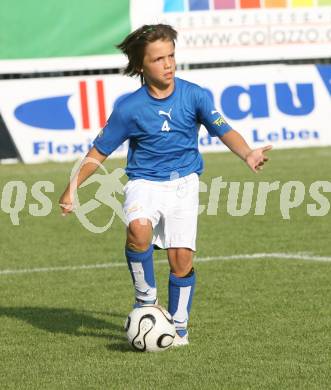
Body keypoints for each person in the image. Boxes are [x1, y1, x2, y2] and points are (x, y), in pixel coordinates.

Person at [59, 24, 271, 347]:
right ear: (141, 65)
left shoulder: (195, 95)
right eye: (159, 59)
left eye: (171, 56)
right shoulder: (129, 108)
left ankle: (179, 326)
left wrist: (248, 153)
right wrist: (72, 187)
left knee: (181, 259)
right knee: (138, 228)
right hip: (143, 181)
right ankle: (145, 300)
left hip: (184, 184)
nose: (168, 64)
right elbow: (99, 151)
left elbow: (222, 128)